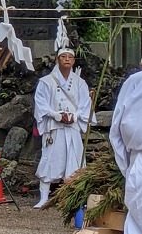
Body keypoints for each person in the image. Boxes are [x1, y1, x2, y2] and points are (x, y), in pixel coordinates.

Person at [32, 47, 96, 209]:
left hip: (72, 126)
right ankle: (44, 197)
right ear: (57, 60)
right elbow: (41, 103)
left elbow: (85, 103)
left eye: (70, 57)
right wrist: (56, 115)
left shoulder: (80, 83)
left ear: (74, 61)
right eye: (63, 57)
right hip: (55, 127)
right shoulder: (46, 81)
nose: (67, 59)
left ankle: (73, 199)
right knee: (50, 159)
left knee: (75, 161)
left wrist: (75, 116)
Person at [110, 66, 142, 234]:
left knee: (138, 231)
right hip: (141, 161)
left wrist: (129, 168)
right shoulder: (136, 81)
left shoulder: (135, 81)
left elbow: (116, 133)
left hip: (140, 164)